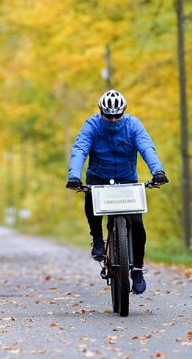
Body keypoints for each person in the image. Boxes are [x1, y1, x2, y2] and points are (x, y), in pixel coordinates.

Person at [66, 90, 169, 295]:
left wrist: (158, 171)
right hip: (99, 175)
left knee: (137, 223)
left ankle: (137, 270)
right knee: (90, 197)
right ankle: (97, 238)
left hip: (126, 178)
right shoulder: (92, 125)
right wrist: (74, 176)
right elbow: (80, 149)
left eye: (117, 115)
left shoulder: (133, 125)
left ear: (123, 112)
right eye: (109, 116)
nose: (113, 120)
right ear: (101, 112)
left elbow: (147, 147)